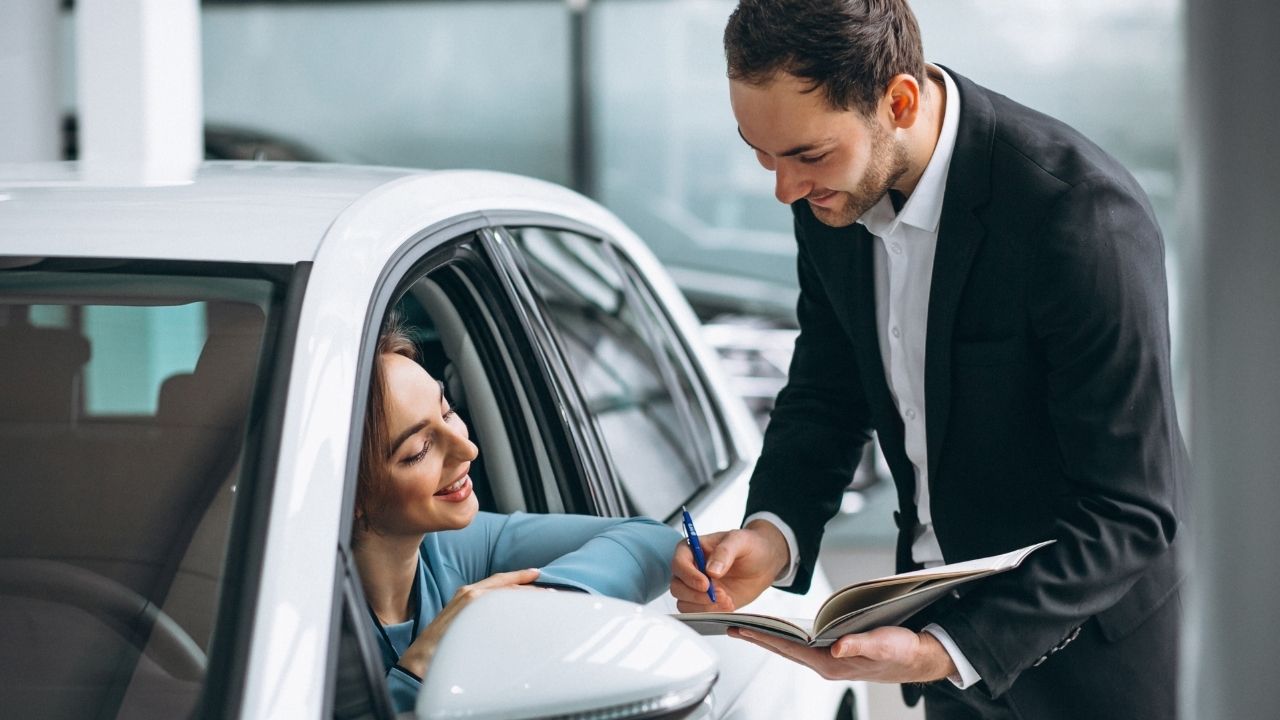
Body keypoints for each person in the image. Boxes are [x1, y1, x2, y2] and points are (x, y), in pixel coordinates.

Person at [669, 2, 1189, 718]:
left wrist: (953, 646)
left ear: (899, 101)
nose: (784, 189)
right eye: (761, 154)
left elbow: (1134, 508)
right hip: (937, 644)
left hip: (1087, 662)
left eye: (806, 156)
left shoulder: (1078, 216)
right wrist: (772, 533)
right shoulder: (831, 194)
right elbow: (829, 386)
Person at [354, 321, 681, 713]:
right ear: (348, 496)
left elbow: (654, 543)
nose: (467, 449)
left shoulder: (450, 548)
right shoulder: (302, 630)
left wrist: (510, 611)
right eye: (420, 449)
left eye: (447, 412)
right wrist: (421, 668)